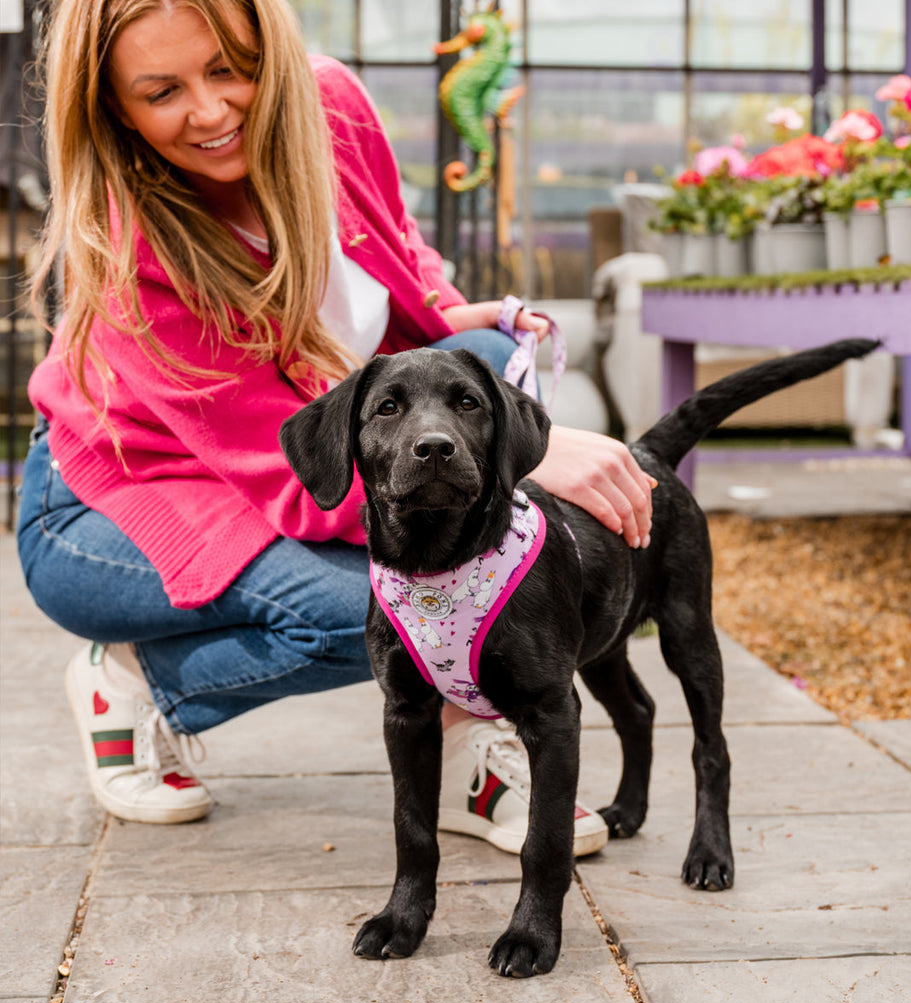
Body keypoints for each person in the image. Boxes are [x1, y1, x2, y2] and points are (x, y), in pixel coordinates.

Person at [17, 0, 654, 856]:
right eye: (162, 91)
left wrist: (448, 316)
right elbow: (300, 484)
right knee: (376, 606)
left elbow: (402, 249)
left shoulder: (332, 106)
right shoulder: (131, 255)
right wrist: (527, 467)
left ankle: (464, 739)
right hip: (118, 501)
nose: (209, 110)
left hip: (276, 446)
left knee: (478, 361)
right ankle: (135, 682)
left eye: (229, 68)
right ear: (115, 112)